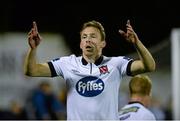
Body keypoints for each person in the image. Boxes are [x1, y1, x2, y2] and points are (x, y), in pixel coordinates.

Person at [24, 20, 156, 120]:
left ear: (103, 43)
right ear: (81, 44)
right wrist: (33, 49)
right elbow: (32, 70)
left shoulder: (116, 63)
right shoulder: (67, 63)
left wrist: (136, 43)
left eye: (93, 36)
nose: (88, 40)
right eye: (84, 37)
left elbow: (149, 66)